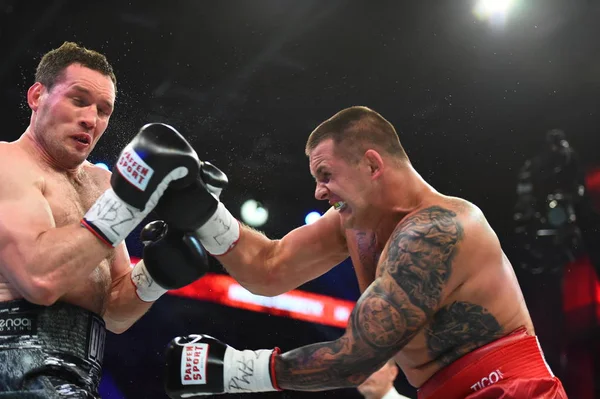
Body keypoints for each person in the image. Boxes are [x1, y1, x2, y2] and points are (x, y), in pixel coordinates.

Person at [156, 106, 568, 398]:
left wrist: (233, 371)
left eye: (325, 174)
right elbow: (268, 268)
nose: (318, 191)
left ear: (372, 165)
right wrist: (203, 212)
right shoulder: (356, 224)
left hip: (507, 388)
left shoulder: (437, 229)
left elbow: (356, 358)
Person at [0, 42, 209, 398]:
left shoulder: (101, 184)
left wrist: (157, 272)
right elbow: (39, 278)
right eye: (78, 100)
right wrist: (130, 203)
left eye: (104, 110)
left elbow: (113, 314)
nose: (91, 119)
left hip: (77, 376)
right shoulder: (8, 164)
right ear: (37, 96)